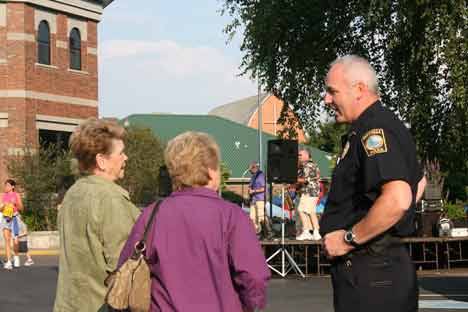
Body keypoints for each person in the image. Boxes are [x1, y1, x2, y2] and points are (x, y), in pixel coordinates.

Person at [319, 55, 427, 312]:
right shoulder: (381, 125)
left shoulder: (374, 130)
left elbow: (399, 198)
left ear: (359, 89)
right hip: (379, 271)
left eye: (332, 92)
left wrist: (347, 239)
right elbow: (418, 182)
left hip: (371, 273)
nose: (327, 100)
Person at [119, 132, 270, 312]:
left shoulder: (151, 215)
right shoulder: (233, 216)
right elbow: (254, 276)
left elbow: (126, 269)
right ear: (211, 171)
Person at [53, 118, 140, 312]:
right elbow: (124, 266)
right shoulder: (111, 200)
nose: (126, 158)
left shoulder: (73, 193)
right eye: (121, 153)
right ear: (102, 161)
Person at [296, 149, 321, 240]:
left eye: (300, 155)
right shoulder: (309, 165)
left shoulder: (308, 165)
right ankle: (311, 232)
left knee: (305, 210)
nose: (298, 157)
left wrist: (293, 179)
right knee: (305, 210)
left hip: (310, 191)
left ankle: (313, 232)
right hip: (310, 191)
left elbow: (305, 179)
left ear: (306, 155)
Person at [1, 179, 24, 269]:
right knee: (7, 240)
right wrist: (2, 206)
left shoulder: (16, 195)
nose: (6, 187)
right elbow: (1, 209)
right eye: (5, 185)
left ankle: (16, 256)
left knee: (15, 240)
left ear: (12, 187)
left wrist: (15, 204)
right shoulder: (3, 196)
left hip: (14, 218)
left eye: (7, 185)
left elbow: (21, 208)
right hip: (6, 218)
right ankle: (9, 262)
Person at [247, 161, 272, 239]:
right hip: (253, 199)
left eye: (250, 169)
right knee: (252, 217)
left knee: (261, 216)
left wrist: (254, 191)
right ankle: (257, 232)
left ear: (255, 167)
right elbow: (251, 186)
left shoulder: (260, 176)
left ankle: (267, 232)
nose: (249, 171)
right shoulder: (253, 176)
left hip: (260, 199)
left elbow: (264, 188)